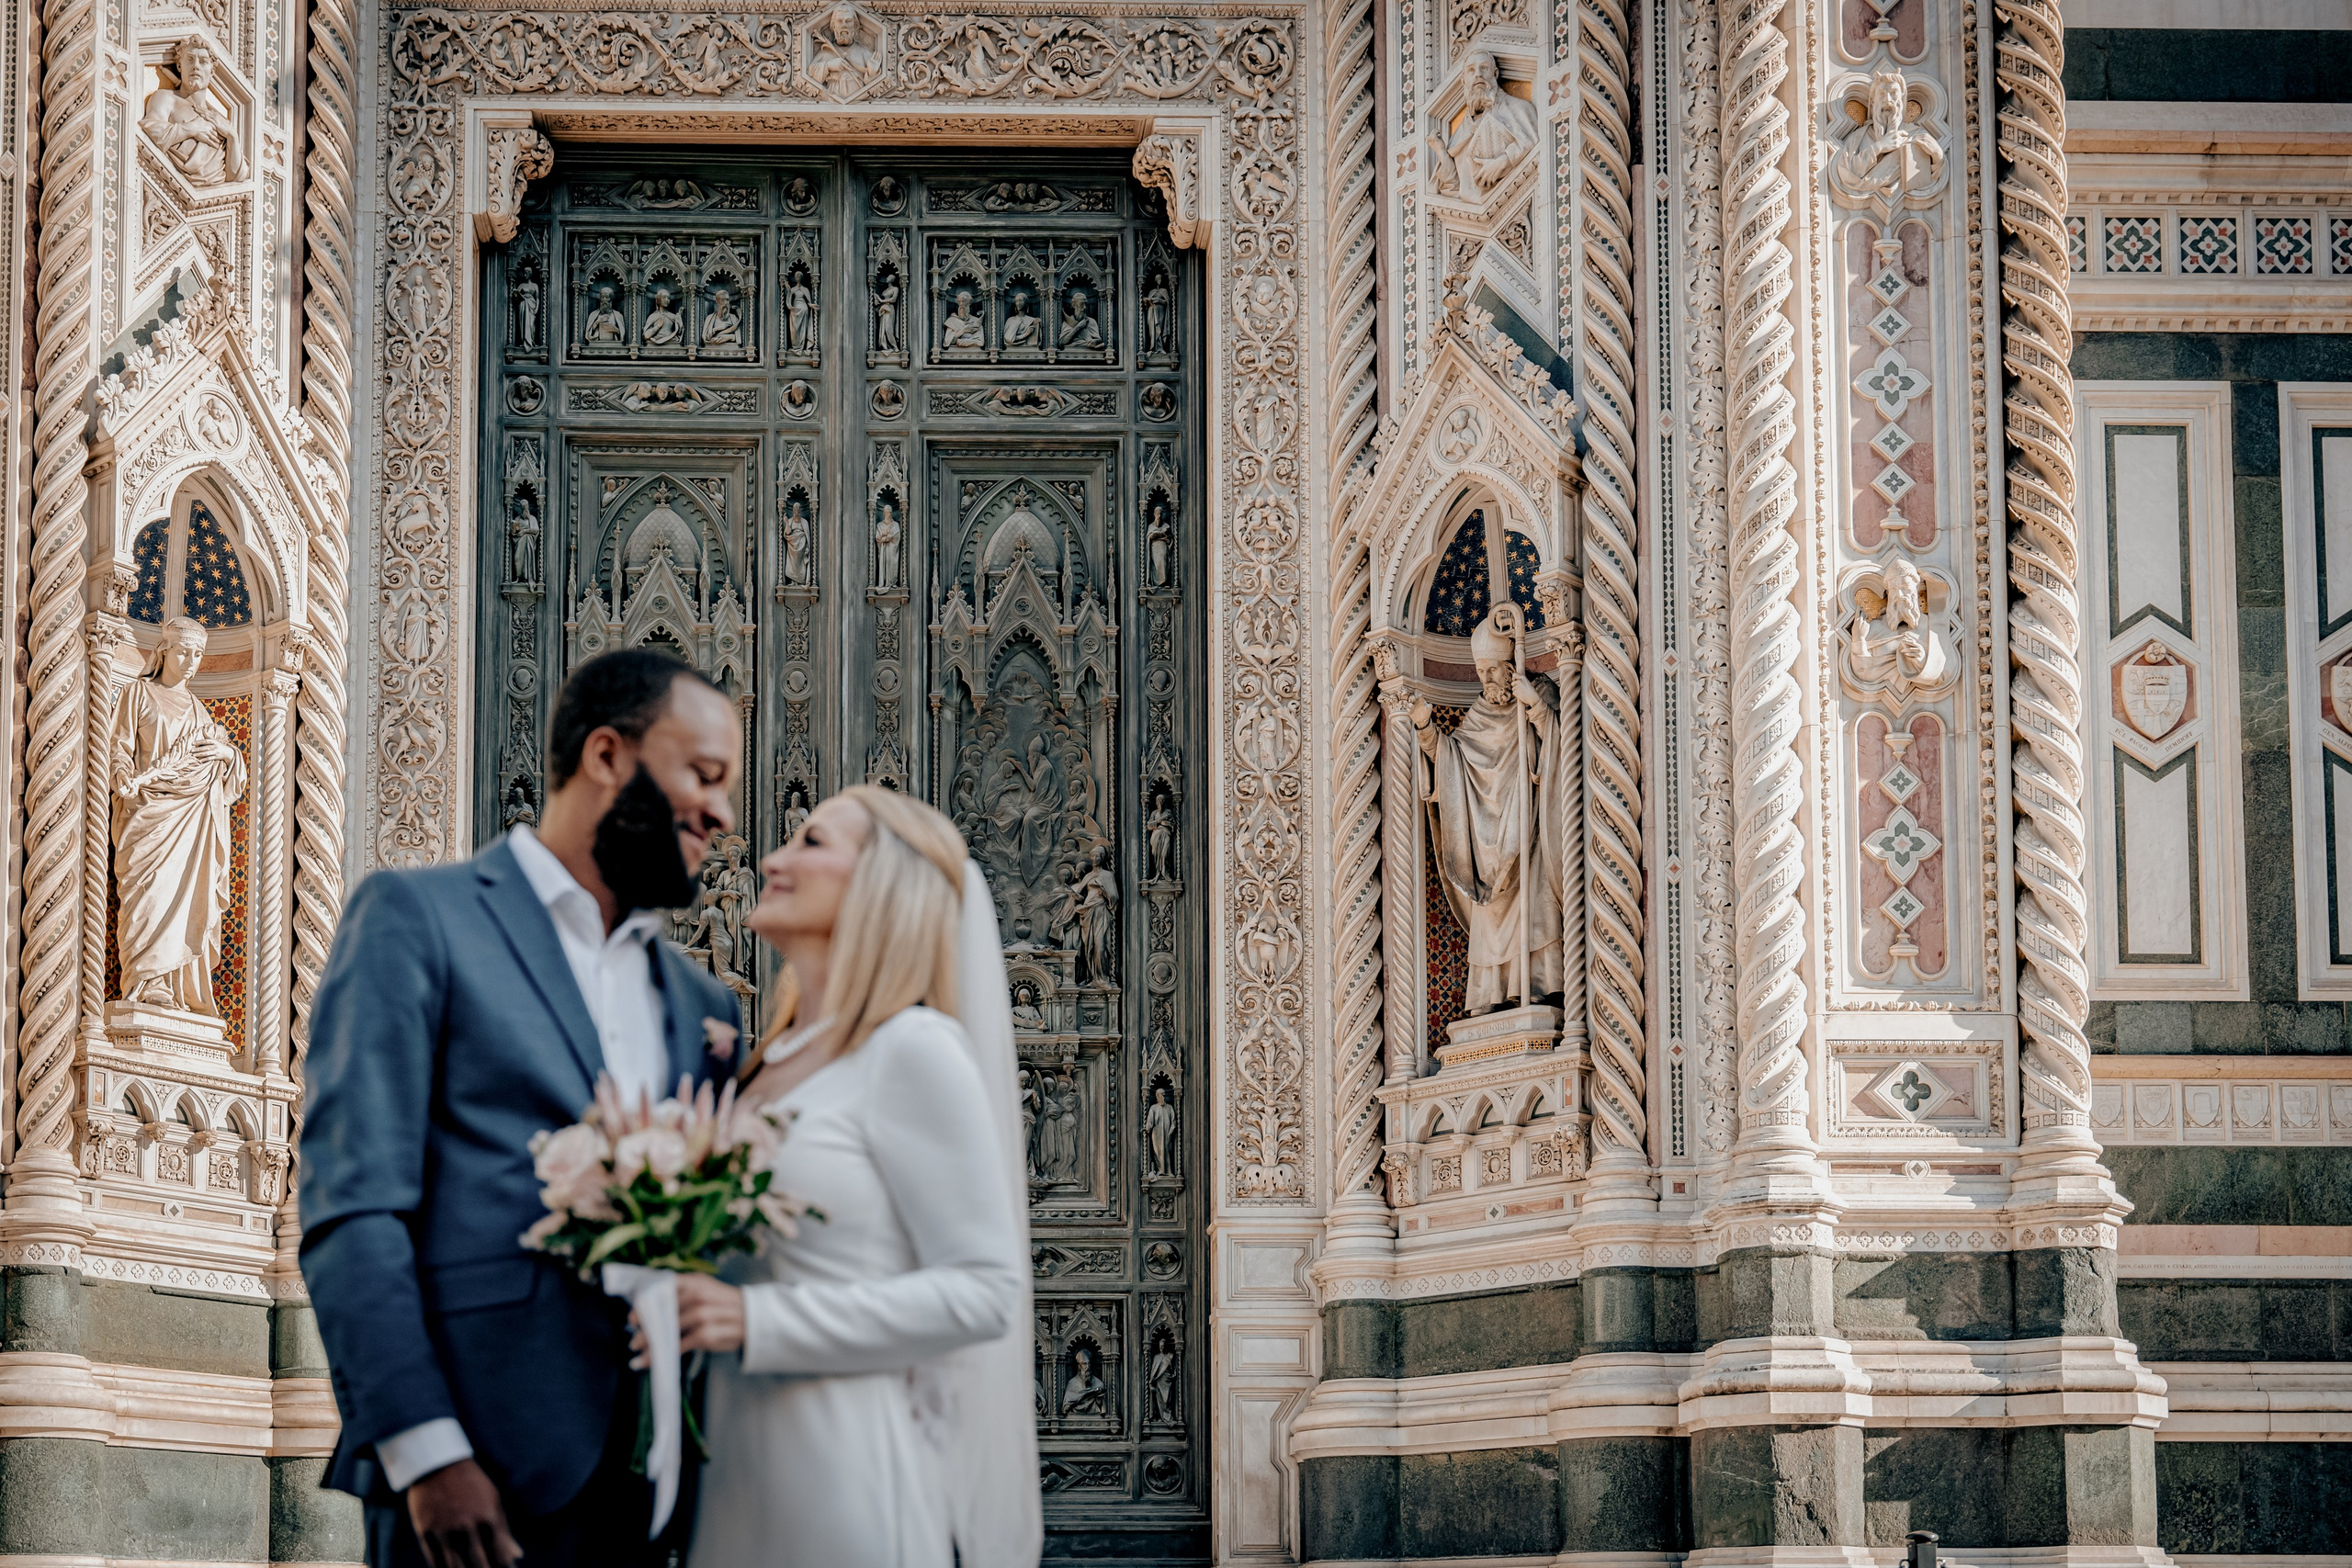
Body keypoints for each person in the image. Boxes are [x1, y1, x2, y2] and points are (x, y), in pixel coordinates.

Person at [300, 649, 745, 1568]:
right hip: (476, 1484)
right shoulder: (417, 919)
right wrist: (427, 1452)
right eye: (702, 775)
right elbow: (354, 1209)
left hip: (655, 1489)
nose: (723, 814)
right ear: (607, 756)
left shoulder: (706, 1005)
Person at [662, 785, 1039, 1568]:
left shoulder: (914, 1049)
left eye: (810, 841)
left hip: (843, 1476)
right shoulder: (764, 1063)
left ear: (883, 882)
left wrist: (754, 1322)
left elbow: (984, 1289)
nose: (771, 858)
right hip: (728, 1475)